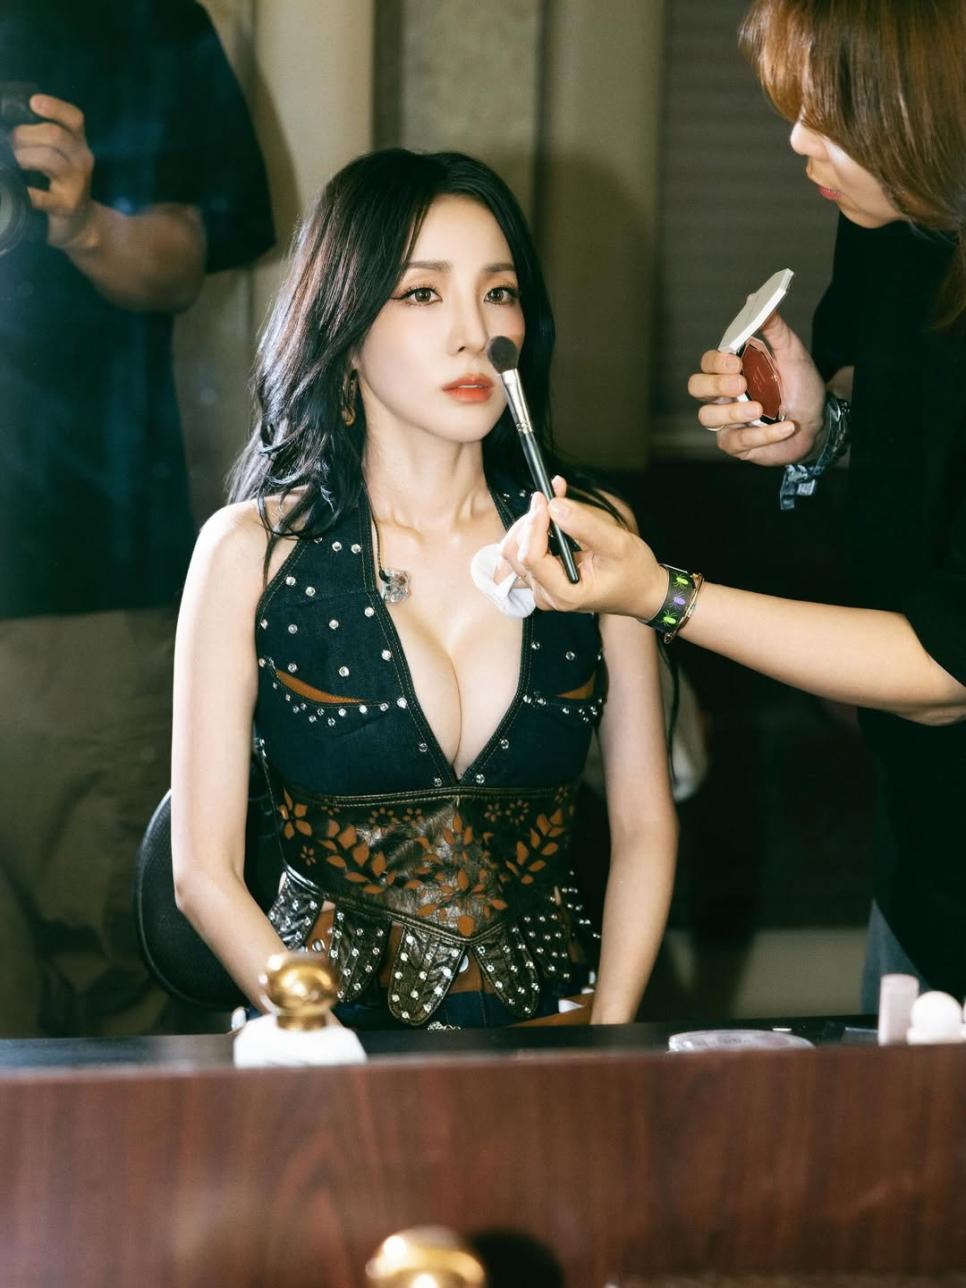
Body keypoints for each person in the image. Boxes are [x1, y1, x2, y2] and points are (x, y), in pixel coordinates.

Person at [497, 0, 966, 1011]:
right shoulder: (895, 212)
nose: (798, 138)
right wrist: (818, 422)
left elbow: (943, 668)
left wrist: (661, 596)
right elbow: (901, 398)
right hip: (923, 832)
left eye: (835, 111)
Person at [171, 148, 677, 1029]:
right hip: (320, 1047)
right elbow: (201, 875)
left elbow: (644, 828)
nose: (473, 332)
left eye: (498, 291)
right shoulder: (249, 553)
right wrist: (316, 1037)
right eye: (422, 293)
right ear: (345, 328)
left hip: (558, 1038)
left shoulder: (591, 537)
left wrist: (610, 1041)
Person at [0, 0, 274, 1036]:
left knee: (125, 965)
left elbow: (188, 255)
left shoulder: (142, 19)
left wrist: (80, 221)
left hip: (81, 580)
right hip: (82, 577)